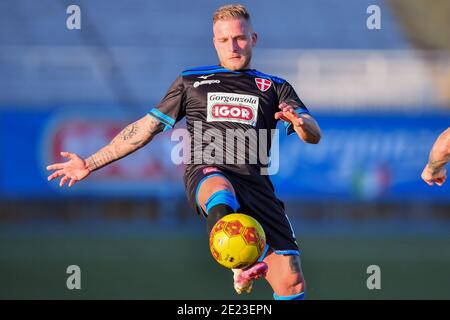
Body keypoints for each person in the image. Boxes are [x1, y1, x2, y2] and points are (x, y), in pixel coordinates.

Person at [47, 4, 321, 300]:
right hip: (207, 172)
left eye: (240, 38)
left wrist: (301, 123)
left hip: (257, 185)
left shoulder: (275, 87)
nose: (233, 45)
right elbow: (145, 128)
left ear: (253, 38)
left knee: (292, 283)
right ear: (214, 42)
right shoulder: (192, 82)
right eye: (224, 39)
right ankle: (237, 267)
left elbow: (313, 135)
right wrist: (90, 162)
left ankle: (248, 265)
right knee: (220, 190)